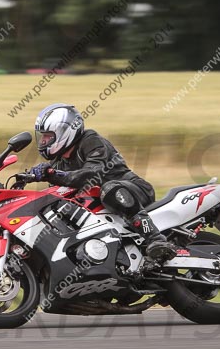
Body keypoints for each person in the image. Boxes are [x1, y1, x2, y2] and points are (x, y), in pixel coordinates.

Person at [29, 103, 176, 265]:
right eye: (42, 136)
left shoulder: (91, 141)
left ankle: (155, 238)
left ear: (66, 130)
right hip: (104, 207)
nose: (43, 141)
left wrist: (52, 175)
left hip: (132, 190)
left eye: (48, 136)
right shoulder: (59, 163)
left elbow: (90, 174)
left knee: (109, 189)